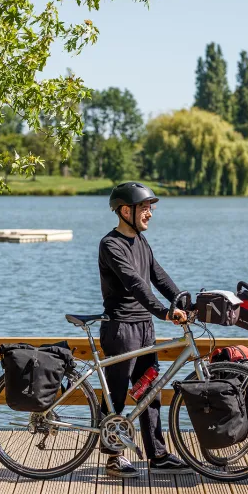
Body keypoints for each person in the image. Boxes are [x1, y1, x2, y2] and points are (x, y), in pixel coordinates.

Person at [98, 182, 192, 478]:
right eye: (145, 208)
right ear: (126, 211)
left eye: (151, 208)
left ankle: (158, 455)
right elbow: (134, 283)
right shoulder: (111, 244)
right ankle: (113, 457)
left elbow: (157, 276)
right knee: (116, 393)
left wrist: (184, 301)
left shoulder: (141, 241)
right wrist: (164, 311)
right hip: (121, 327)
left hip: (143, 327)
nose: (150, 213)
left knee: (150, 391)